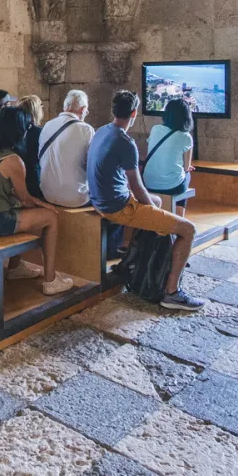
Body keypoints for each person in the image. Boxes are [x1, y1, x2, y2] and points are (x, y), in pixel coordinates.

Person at [87, 90, 203, 311]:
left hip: (98, 199)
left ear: (114, 110)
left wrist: (153, 208)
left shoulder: (102, 131)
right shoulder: (125, 141)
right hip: (117, 206)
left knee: (158, 202)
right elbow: (138, 189)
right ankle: (172, 293)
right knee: (188, 230)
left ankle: (133, 261)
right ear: (134, 113)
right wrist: (155, 214)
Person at [0, 107, 74, 295]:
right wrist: (45, 205)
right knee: (50, 218)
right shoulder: (14, 161)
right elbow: (25, 200)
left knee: (21, 211)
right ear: (20, 130)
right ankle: (51, 280)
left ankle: (15, 268)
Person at [38, 90, 95, 209]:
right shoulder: (86, 130)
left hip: (47, 193)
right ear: (83, 109)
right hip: (75, 198)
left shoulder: (47, 125)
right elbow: (92, 165)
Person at [142, 98, 195, 215]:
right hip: (171, 186)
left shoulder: (155, 129)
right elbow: (186, 167)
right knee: (187, 175)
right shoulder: (186, 137)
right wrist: (186, 168)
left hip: (148, 182)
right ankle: (180, 218)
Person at [14, 95, 45, 200]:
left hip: (14, 180)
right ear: (36, 110)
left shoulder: (13, 131)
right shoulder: (38, 132)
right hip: (33, 181)